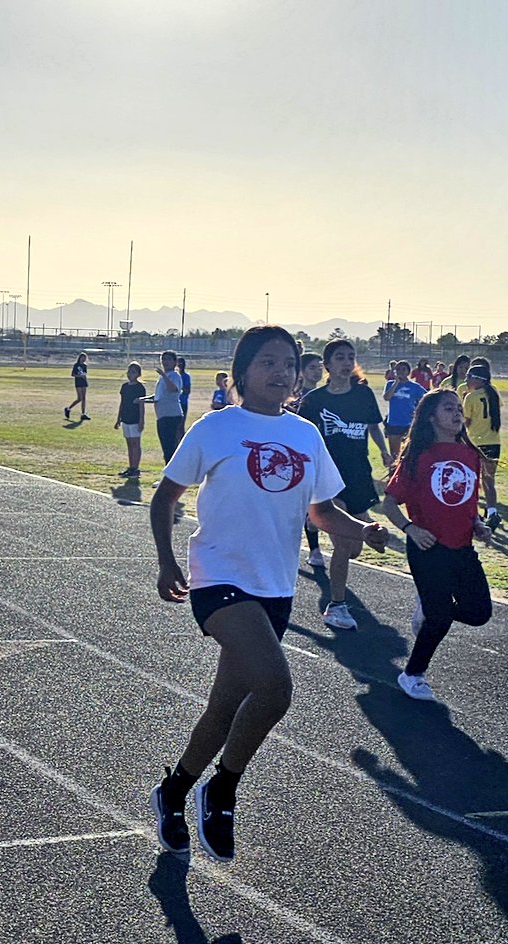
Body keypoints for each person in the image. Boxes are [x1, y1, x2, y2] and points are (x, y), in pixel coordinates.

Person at [148, 326, 387, 862]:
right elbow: (163, 498)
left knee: (223, 710)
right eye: (267, 362)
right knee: (276, 688)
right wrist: (166, 561)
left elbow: (321, 511)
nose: (280, 372)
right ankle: (223, 788)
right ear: (242, 372)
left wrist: (360, 532)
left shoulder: (305, 434)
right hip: (219, 581)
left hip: (275, 589)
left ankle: (174, 790)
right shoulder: (216, 428)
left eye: (289, 364)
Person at [381, 390, 492, 701]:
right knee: (440, 617)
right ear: (431, 416)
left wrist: (478, 524)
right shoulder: (418, 456)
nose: (457, 414)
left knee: (479, 612)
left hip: (462, 548)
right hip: (427, 547)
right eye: (448, 408)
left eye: (458, 408)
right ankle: (412, 675)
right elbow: (389, 503)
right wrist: (410, 528)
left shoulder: (470, 455)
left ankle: (429, 608)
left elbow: (465, 502)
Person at [298, 339, 392, 630]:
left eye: (351, 357)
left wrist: (385, 451)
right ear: (327, 365)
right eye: (340, 357)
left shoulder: (363, 395)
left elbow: (373, 425)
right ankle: (336, 606)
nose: (347, 362)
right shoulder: (314, 400)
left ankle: (315, 522)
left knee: (354, 549)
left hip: (358, 476)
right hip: (328, 480)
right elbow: (299, 437)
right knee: (343, 545)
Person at [287, 352, 326, 566]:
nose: (317, 371)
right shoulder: (293, 394)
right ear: (301, 371)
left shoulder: (328, 393)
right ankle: (314, 548)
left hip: (322, 454)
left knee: (315, 504)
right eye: (312, 367)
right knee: (300, 504)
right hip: (299, 455)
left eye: (320, 366)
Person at [462, 365, 502, 531]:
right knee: (489, 481)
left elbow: (467, 422)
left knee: (472, 481)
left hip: (476, 443)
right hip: (494, 442)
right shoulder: (493, 393)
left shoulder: (471, 397)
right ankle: (492, 512)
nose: (467, 380)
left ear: (479, 379)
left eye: (470, 376)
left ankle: (474, 515)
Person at [382, 360, 427, 461]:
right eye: (398, 369)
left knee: (408, 455)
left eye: (403, 369)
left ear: (408, 372)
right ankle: (393, 474)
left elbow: (426, 398)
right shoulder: (390, 384)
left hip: (408, 423)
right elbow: (386, 397)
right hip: (393, 422)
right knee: (394, 455)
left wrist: (418, 412)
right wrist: (396, 383)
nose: (400, 371)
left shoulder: (414, 387)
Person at [148, 351, 185, 463]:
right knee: (166, 448)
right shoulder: (164, 377)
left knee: (171, 448)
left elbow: (173, 389)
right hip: (162, 416)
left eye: (169, 359)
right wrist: (144, 399)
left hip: (172, 416)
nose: (165, 362)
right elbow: (160, 395)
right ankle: (168, 476)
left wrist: (164, 375)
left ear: (175, 362)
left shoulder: (174, 375)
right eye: (164, 359)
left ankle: (173, 477)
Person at [114, 362, 146, 477]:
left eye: (133, 372)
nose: (130, 374)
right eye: (129, 371)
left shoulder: (140, 388)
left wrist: (142, 420)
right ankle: (131, 466)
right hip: (126, 418)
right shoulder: (125, 387)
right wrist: (118, 419)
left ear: (138, 374)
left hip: (135, 419)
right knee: (129, 444)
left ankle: (135, 468)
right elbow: (122, 403)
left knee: (135, 444)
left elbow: (142, 405)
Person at [64, 352, 90, 421]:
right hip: (78, 382)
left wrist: (84, 376)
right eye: (83, 358)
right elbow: (72, 374)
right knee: (79, 398)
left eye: (85, 358)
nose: (84, 359)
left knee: (84, 398)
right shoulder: (76, 365)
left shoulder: (85, 366)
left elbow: (85, 373)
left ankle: (83, 414)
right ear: (80, 358)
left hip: (84, 382)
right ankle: (68, 408)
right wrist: (79, 376)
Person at [176, 356, 192, 424]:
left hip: (183, 402)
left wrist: (180, 386)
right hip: (175, 403)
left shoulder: (186, 376)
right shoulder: (175, 375)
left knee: (181, 424)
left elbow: (187, 391)